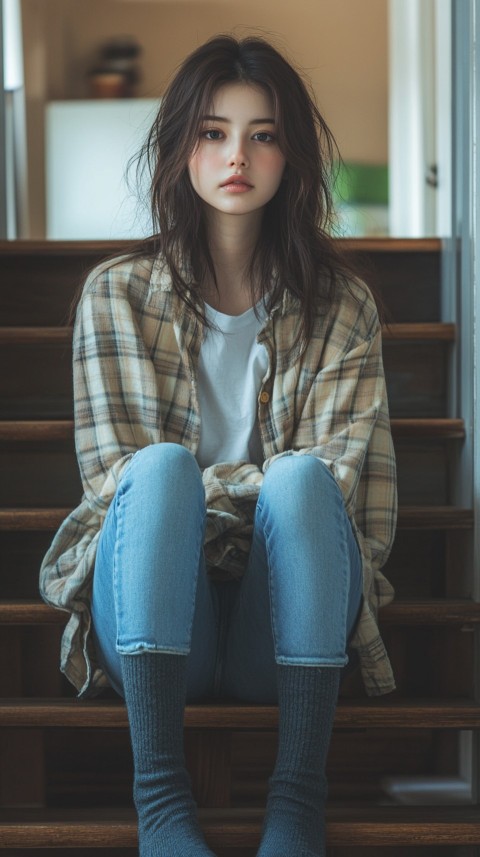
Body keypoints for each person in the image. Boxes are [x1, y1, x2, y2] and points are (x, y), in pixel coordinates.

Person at [40, 34, 397, 857]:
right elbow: (117, 489)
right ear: (180, 148)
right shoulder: (115, 298)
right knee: (161, 470)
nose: (237, 154)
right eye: (212, 131)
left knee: (303, 482)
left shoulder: (345, 308)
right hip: (160, 618)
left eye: (263, 134)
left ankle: (297, 799)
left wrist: (267, 493)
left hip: (287, 620)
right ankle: (161, 800)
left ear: (292, 156)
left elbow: (343, 504)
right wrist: (252, 490)